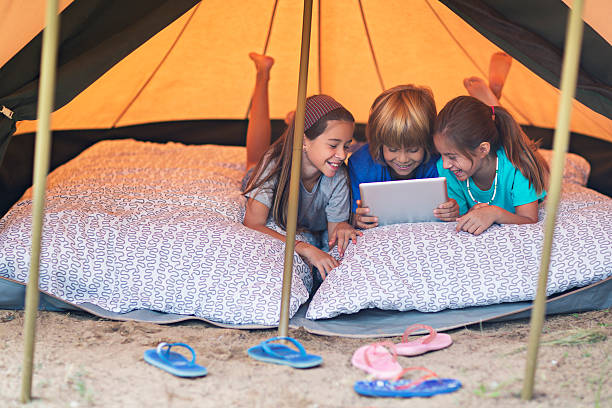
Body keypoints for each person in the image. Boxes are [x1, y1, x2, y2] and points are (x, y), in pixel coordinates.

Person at [242, 56, 361, 279]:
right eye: (334, 145)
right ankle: (262, 74)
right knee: (254, 160)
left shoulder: (338, 177)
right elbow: (252, 223)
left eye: (347, 145)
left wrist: (344, 226)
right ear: (305, 140)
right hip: (267, 167)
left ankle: (294, 122)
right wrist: (305, 248)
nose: (342, 155)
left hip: (304, 149)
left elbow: (335, 235)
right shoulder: (274, 167)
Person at [433, 96, 549, 236]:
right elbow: (462, 217)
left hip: (537, 169)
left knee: (540, 165)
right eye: (441, 155)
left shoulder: (517, 164)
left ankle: (491, 98)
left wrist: (494, 213)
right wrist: (454, 211)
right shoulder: (448, 170)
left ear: (483, 149)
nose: (445, 164)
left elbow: (530, 219)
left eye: (452, 157)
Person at [348, 85, 459, 229]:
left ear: (428, 142)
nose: (402, 159)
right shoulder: (360, 165)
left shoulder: (440, 162)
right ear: (378, 142)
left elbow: (454, 205)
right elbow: (348, 216)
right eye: (393, 149)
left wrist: (452, 210)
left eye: (413, 150)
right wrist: (356, 219)